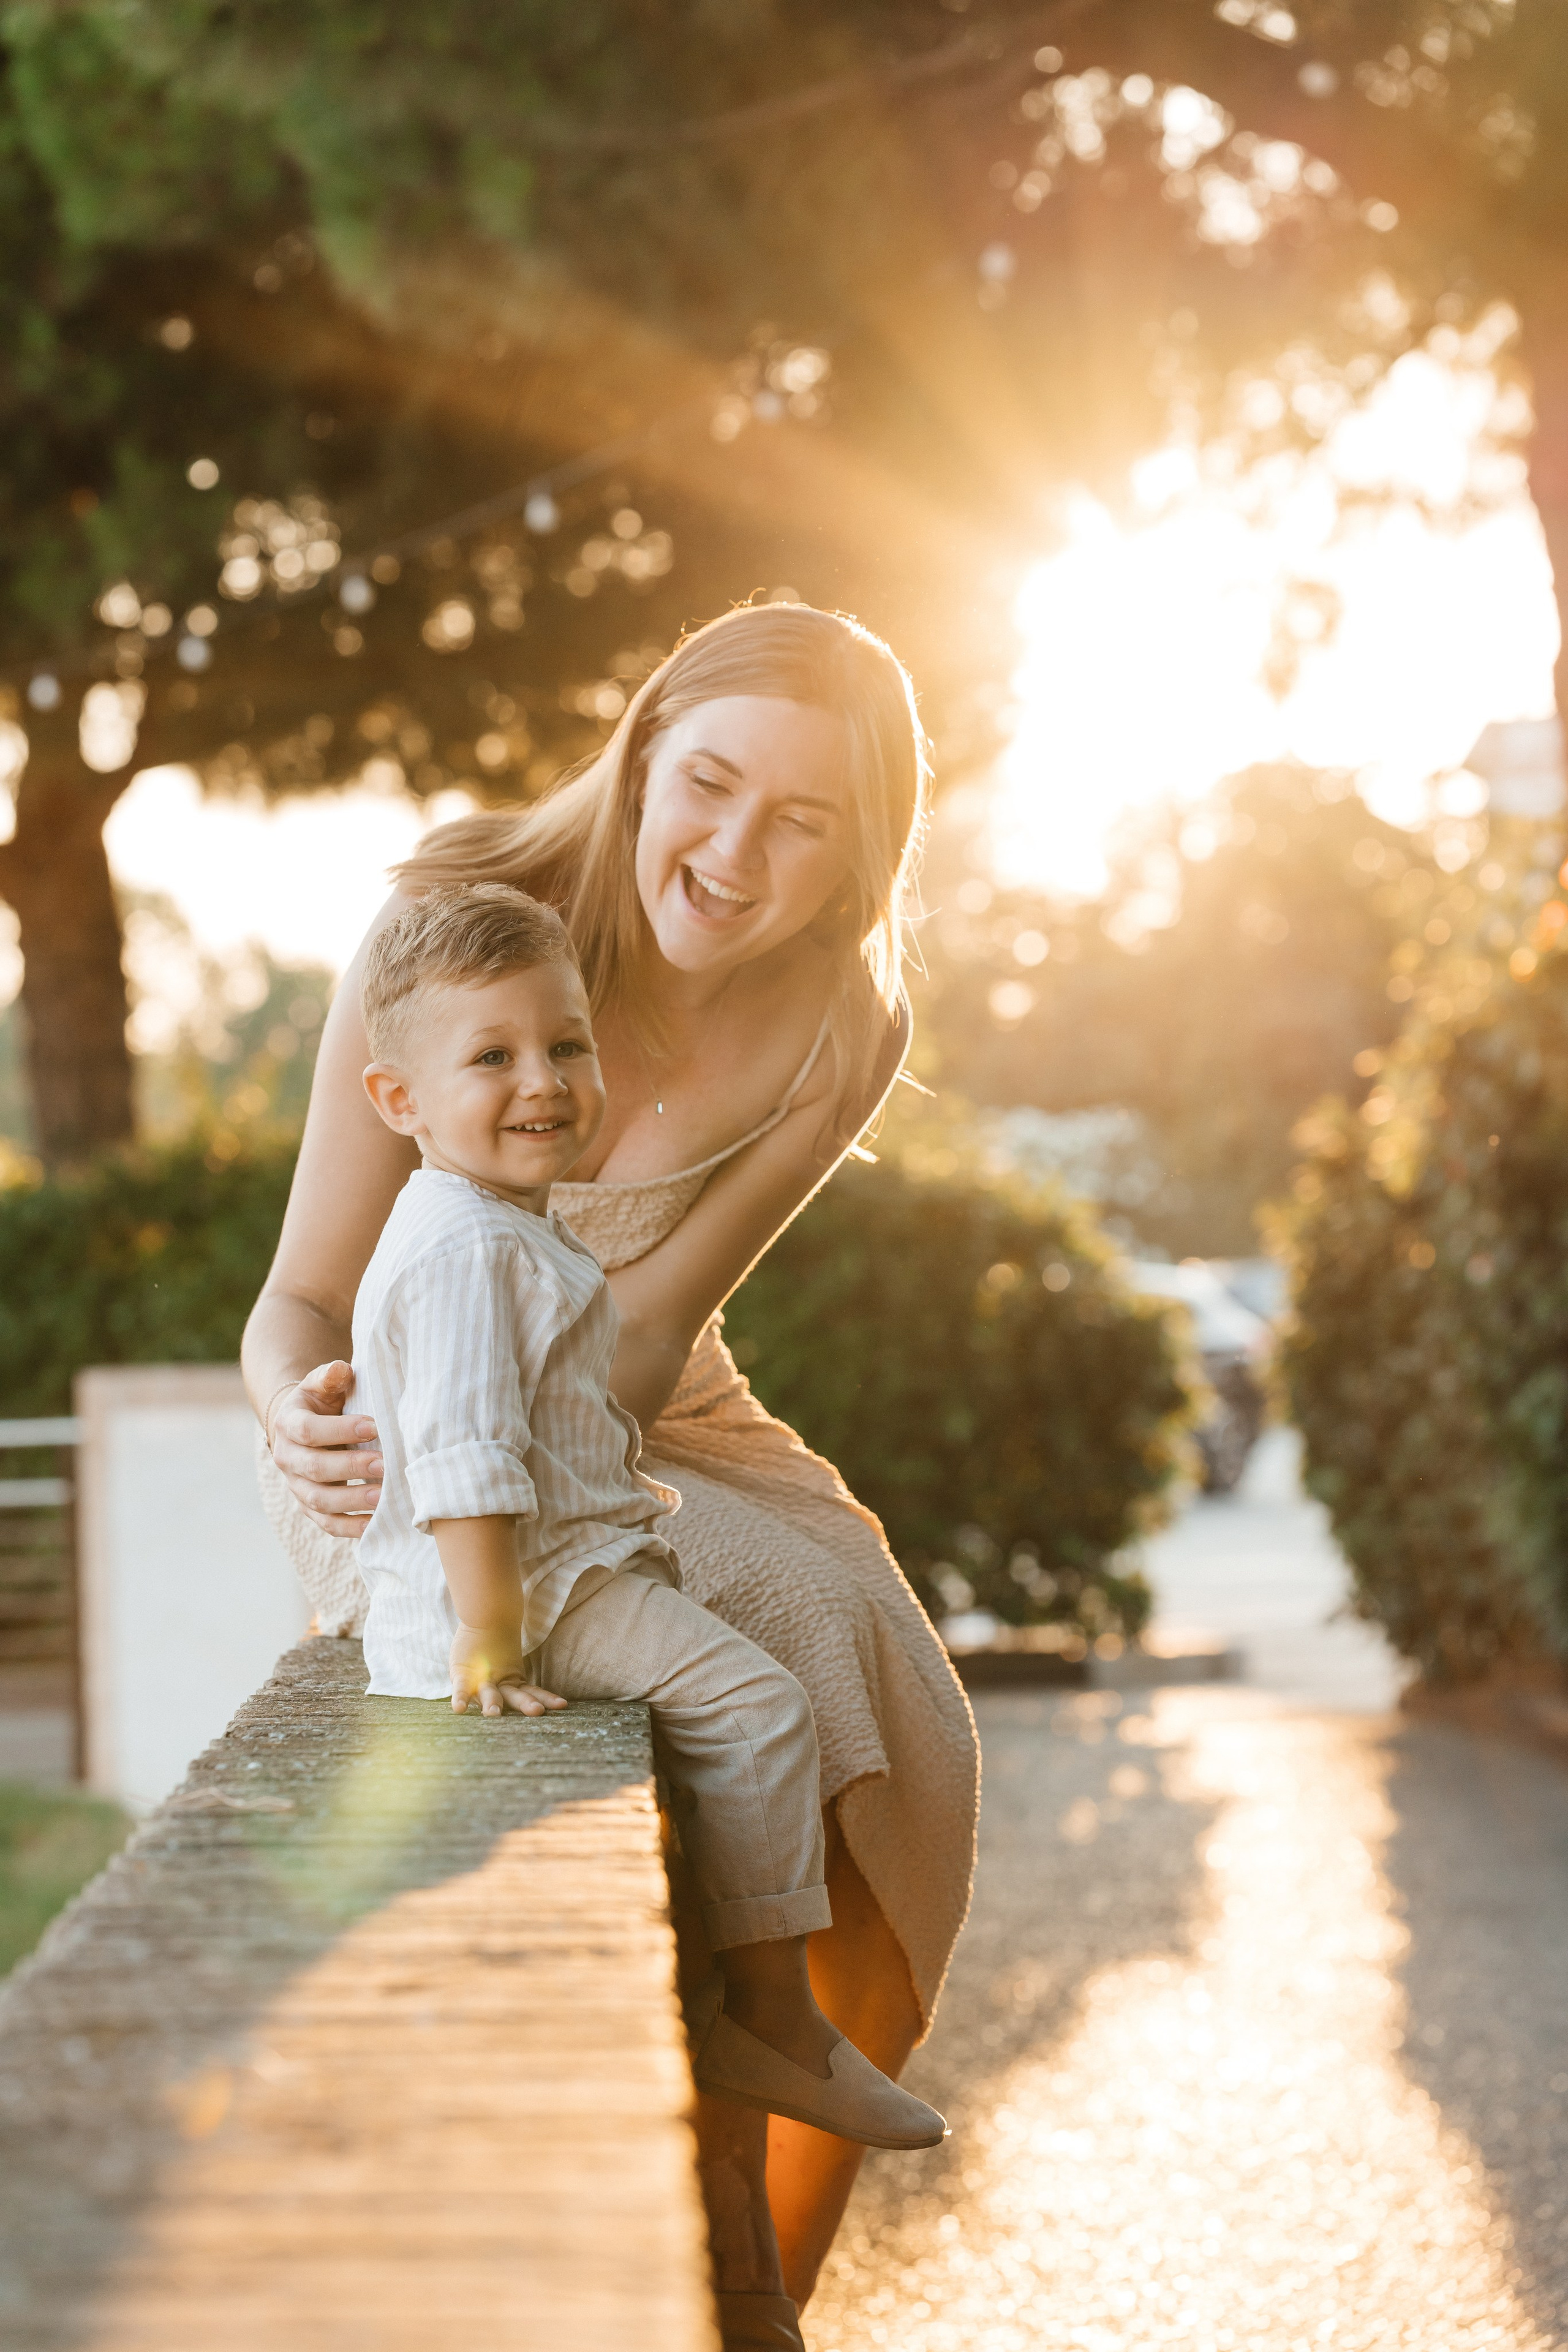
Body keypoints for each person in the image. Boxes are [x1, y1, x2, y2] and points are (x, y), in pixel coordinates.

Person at [244, 601, 979, 2352]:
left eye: (802, 822)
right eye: (710, 783)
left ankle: (763, 2274)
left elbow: (643, 1353)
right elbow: (301, 1298)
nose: (733, 855)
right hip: (442, 1422)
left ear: (863, 850)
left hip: (655, 1400)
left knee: (903, 1703)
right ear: (643, 753)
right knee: (774, 1633)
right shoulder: (450, 930)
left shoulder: (839, 1025)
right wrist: (288, 1406)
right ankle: (723, 2258)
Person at [348, 878, 947, 2160]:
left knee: (738, 1696)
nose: (544, 1082)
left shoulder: (492, 1224)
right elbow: (461, 1459)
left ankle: (764, 2014)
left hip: (557, 1576)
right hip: (536, 1601)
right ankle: (771, 2020)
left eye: (566, 1045)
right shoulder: (467, 1251)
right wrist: (490, 1639)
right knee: (757, 1706)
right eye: (492, 1058)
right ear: (399, 1101)